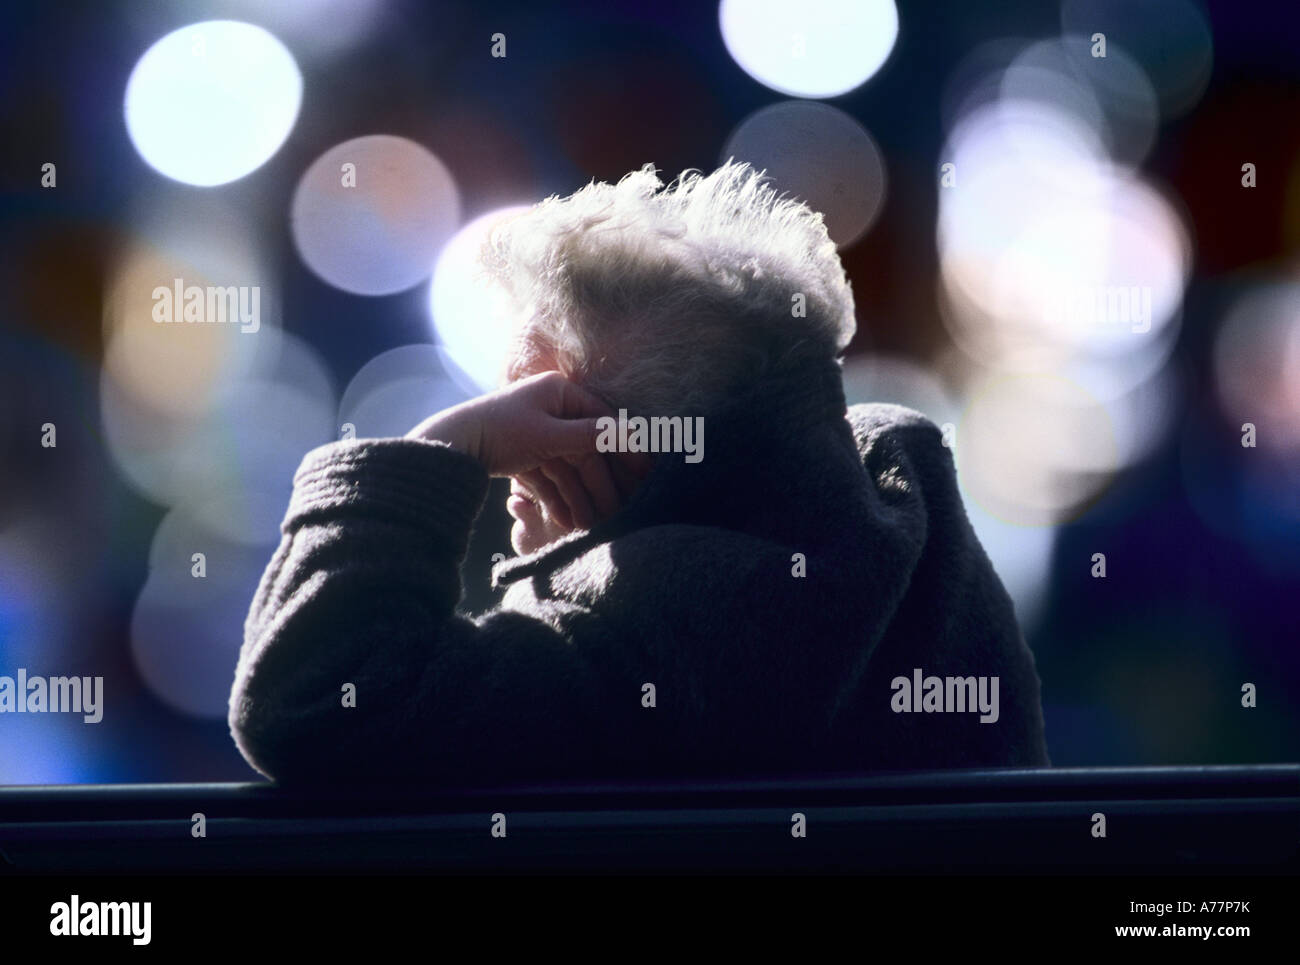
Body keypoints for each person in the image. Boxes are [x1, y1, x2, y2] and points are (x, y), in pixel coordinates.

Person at [228, 161, 1050, 785]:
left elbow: (307, 697)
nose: (511, 450)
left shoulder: (637, 643)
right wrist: (590, 551)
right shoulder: (917, 550)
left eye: (530, 408)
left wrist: (446, 449)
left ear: (609, 439)